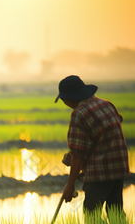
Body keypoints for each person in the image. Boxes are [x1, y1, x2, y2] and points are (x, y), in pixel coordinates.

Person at [55, 75, 130, 213]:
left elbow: (79, 153)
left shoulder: (79, 114)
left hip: (100, 172)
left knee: (92, 216)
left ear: (69, 98)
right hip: (119, 168)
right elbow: (106, 129)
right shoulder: (106, 104)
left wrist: (69, 186)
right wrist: (72, 156)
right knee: (116, 214)